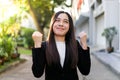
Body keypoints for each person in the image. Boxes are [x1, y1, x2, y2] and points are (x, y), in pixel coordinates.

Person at [32, 11, 91, 80]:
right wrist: (37, 45)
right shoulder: (44, 46)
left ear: (70, 26)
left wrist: (84, 44)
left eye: (65, 21)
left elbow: (85, 71)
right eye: (57, 20)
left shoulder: (75, 44)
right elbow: (37, 73)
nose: (61, 24)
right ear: (52, 24)